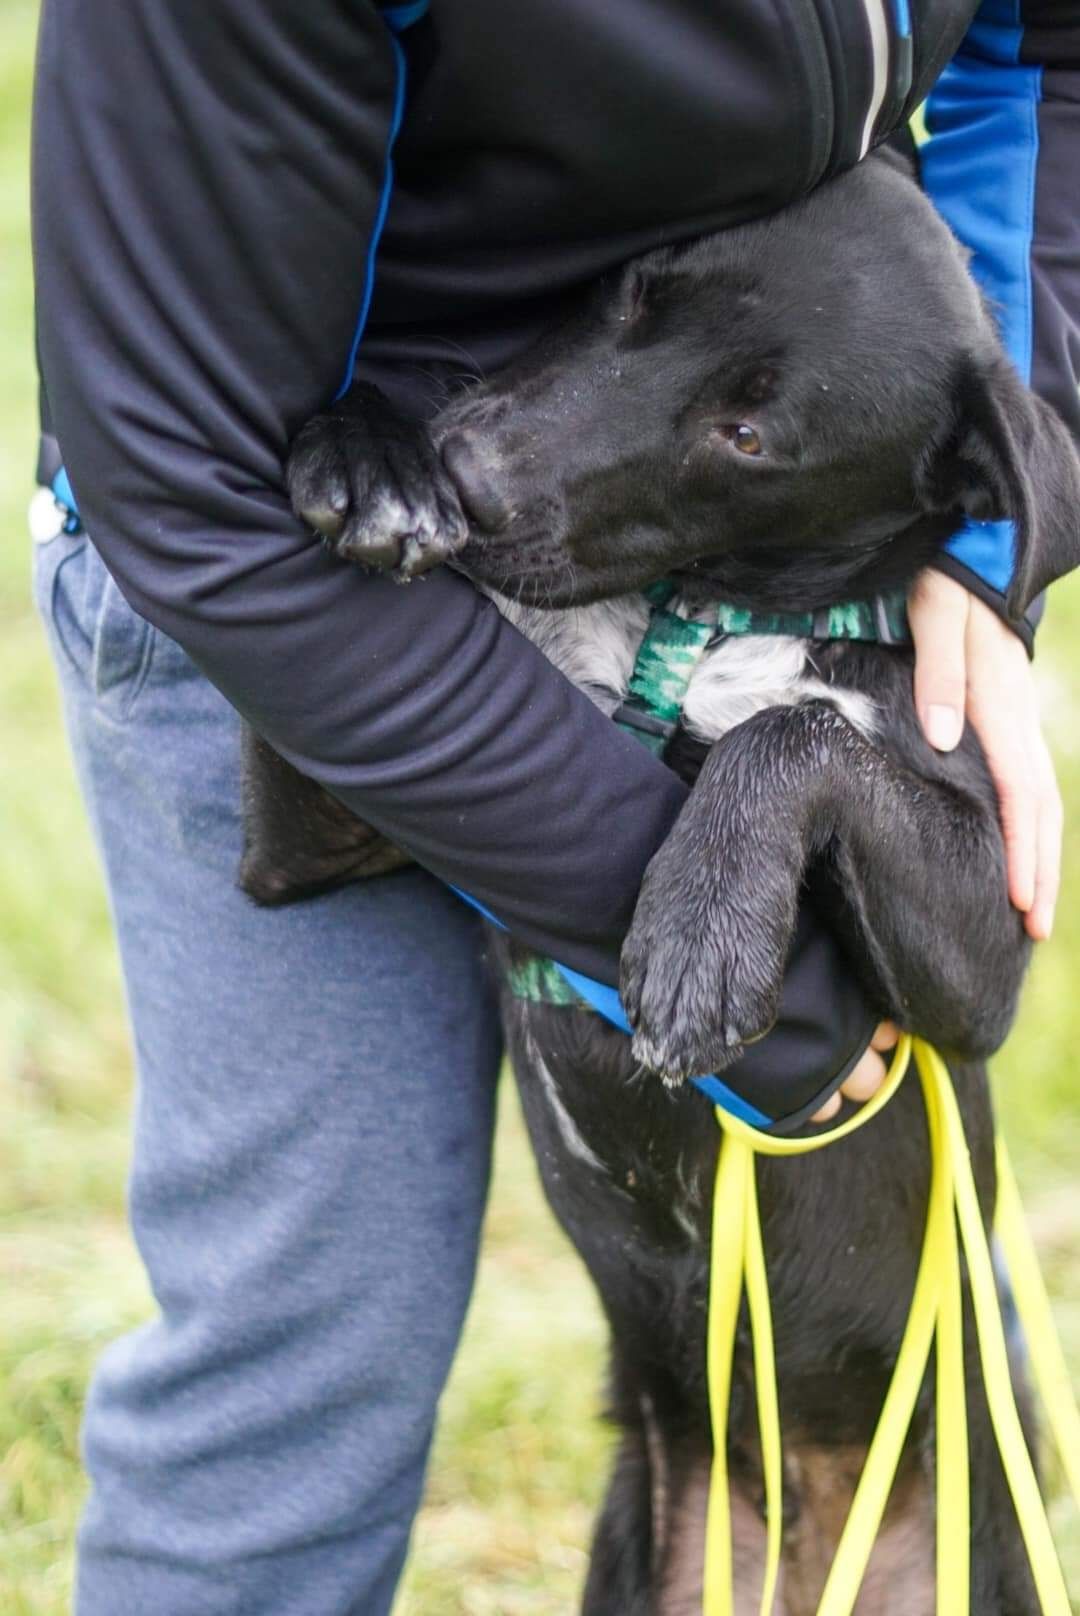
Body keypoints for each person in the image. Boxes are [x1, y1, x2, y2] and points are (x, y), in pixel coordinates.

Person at [30, 1, 1077, 1611]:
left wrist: (985, 553)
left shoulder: (839, 482)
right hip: (287, 542)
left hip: (757, 454)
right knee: (301, 1354)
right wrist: (715, 943)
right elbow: (189, 492)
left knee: (935, 1386)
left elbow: (1037, 50)